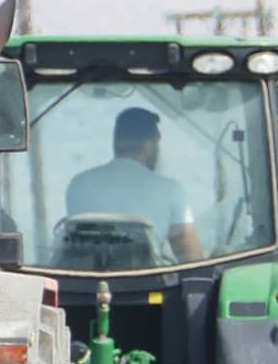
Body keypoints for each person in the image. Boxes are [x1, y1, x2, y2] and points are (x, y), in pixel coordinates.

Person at [65, 106, 205, 263]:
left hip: (84, 284)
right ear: (149, 144)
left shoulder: (79, 184)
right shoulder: (170, 189)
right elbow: (191, 257)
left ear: (116, 143)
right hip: (145, 284)